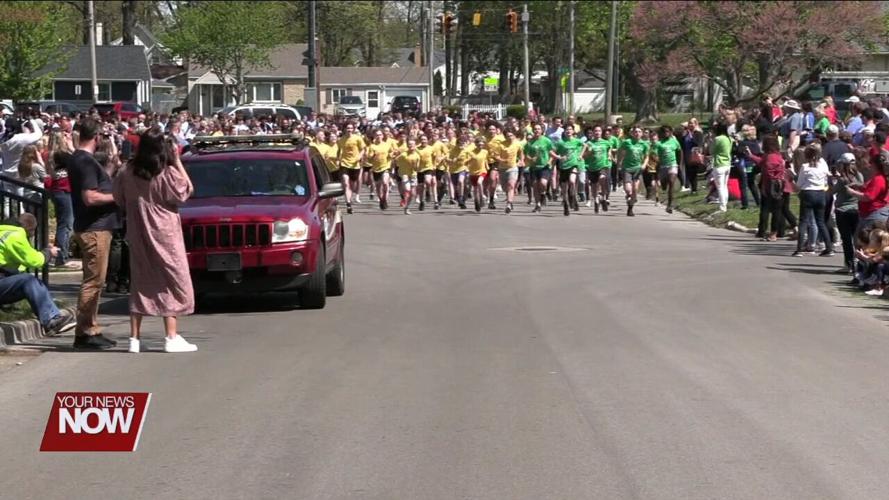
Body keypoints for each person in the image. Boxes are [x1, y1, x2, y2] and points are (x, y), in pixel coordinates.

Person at [112, 127, 197, 353]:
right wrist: (177, 161)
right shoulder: (165, 172)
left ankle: (134, 338)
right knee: (172, 279)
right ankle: (171, 336)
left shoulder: (127, 171)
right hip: (165, 232)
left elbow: (118, 198)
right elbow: (185, 191)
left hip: (138, 230)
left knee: (140, 280)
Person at [68, 118, 119, 350]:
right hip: (94, 228)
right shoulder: (85, 161)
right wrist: (118, 196)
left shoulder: (80, 159)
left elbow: (96, 184)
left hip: (93, 227)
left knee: (96, 281)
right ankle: (85, 332)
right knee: (93, 281)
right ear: (96, 137)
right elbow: (90, 197)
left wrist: (110, 169)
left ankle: (91, 328)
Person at [0, 213, 75, 335]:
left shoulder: (4, 232)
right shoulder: (15, 235)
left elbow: (19, 265)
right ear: (31, 230)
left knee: (25, 283)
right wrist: (49, 253)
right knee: (28, 281)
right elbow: (34, 260)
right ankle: (51, 320)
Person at [792, 143, 834, 257]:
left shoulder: (805, 167)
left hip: (808, 193)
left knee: (803, 221)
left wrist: (791, 179)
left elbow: (799, 185)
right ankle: (829, 247)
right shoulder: (822, 166)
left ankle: (799, 249)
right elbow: (827, 176)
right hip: (820, 193)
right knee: (821, 221)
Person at [44, 131, 77, 268]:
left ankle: (58, 255)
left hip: (56, 190)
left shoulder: (48, 154)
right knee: (66, 224)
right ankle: (61, 256)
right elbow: (78, 159)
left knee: (61, 223)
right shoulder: (61, 155)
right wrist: (71, 147)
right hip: (64, 190)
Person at [834, 152, 864, 272]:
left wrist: (831, 181)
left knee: (846, 239)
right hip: (856, 209)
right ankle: (859, 262)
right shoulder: (859, 176)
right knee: (856, 238)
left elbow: (832, 191)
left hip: (843, 210)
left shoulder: (842, 179)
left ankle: (849, 264)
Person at [618, 126, 649, 217]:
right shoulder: (627, 142)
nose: (637, 133)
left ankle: (630, 209)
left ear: (642, 133)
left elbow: (646, 156)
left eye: (639, 132)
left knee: (635, 189)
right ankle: (629, 195)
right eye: (635, 132)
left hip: (637, 169)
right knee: (628, 190)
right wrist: (619, 163)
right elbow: (620, 152)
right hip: (627, 168)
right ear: (632, 133)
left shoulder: (644, 144)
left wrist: (644, 165)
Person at [552, 126, 584, 216]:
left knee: (572, 181)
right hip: (563, 167)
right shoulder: (560, 142)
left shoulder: (577, 141)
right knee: (564, 188)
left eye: (570, 129)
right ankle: (565, 203)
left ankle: (573, 197)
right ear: (564, 131)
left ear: (573, 131)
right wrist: (558, 157)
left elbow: (585, 146)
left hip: (573, 164)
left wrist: (580, 155)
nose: (568, 131)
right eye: (567, 130)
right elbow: (552, 151)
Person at [654, 125, 682, 213]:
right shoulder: (659, 143)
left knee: (671, 182)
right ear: (661, 133)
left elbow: (679, 151)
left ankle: (669, 205)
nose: (666, 133)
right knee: (664, 185)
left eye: (667, 131)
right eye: (664, 132)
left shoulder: (674, 141)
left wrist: (678, 163)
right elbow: (654, 155)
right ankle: (663, 184)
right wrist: (657, 161)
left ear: (670, 132)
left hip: (672, 165)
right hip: (663, 166)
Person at [709, 122, 733, 212]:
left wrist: (710, 140)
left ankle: (723, 207)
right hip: (727, 163)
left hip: (719, 164)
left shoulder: (717, 139)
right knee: (725, 185)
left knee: (720, 187)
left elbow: (711, 151)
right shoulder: (729, 138)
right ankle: (725, 203)